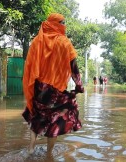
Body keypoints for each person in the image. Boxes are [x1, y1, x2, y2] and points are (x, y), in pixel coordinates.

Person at [22, 13, 84, 156]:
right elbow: (74, 66)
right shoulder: (64, 42)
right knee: (56, 121)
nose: (64, 26)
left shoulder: (38, 40)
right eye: (62, 23)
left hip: (39, 89)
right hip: (55, 90)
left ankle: (31, 147)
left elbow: (30, 66)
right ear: (56, 24)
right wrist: (79, 85)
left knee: (37, 116)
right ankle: (49, 154)